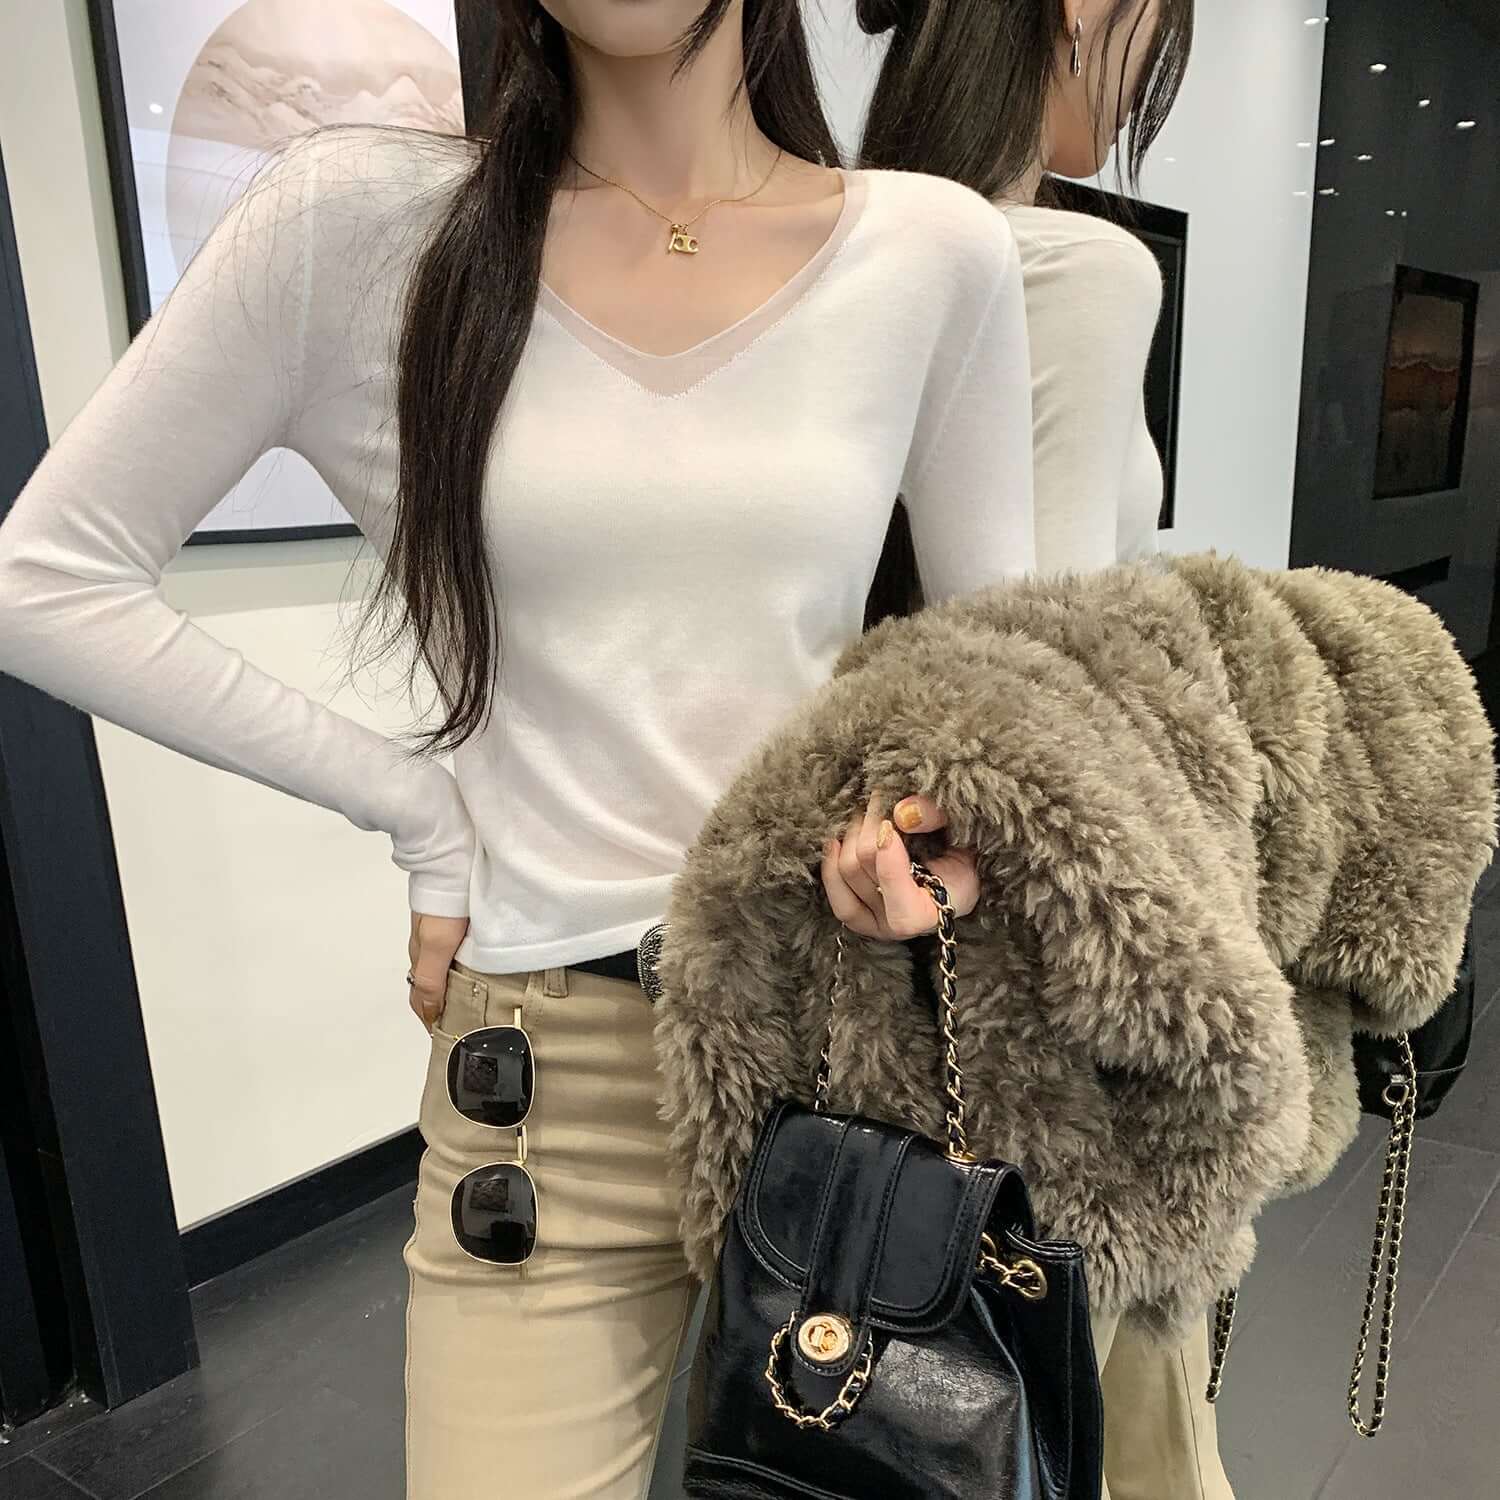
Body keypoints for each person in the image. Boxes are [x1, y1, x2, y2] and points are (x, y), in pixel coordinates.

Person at [0, 1, 1038, 1494]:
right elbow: (45, 580)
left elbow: (1001, 688)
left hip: (850, 1047)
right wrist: (417, 808)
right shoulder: (363, 225)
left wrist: (934, 838)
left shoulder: (932, 250)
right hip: (553, 1085)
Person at [854, 3, 1237, 1499]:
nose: (1145, 87)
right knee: (1126, 1437)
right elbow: (1045, 694)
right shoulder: (1076, 266)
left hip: (887, 939)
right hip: (1045, 975)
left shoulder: (859, 254)